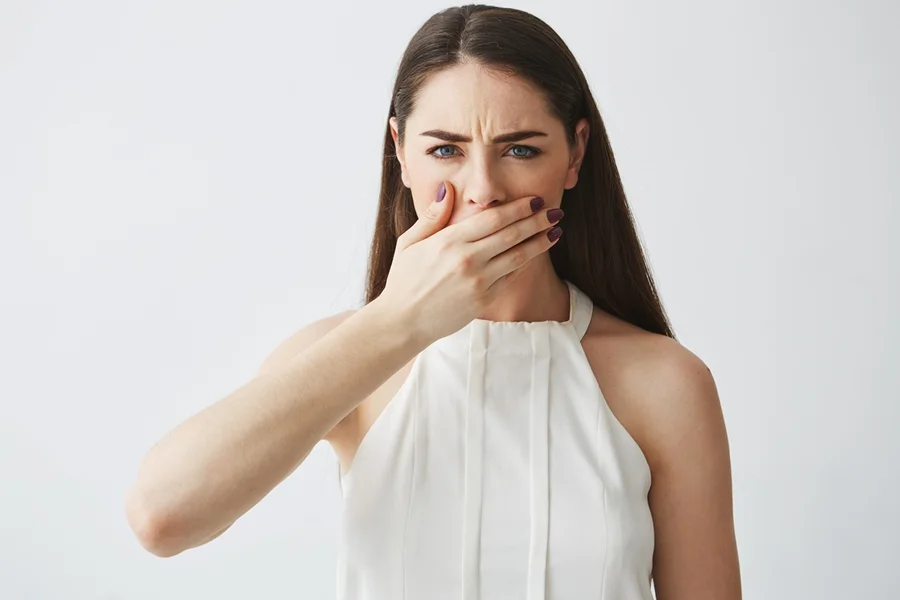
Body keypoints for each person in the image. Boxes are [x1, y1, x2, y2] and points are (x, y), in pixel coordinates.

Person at [124, 4, 741, 599]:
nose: (484, 191)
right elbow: (161, 516)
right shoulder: (350, 359)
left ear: (575, 153)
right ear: (400, 151)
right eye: (445, 150)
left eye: (521, 149)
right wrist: (398, 321)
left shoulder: (665, 383)